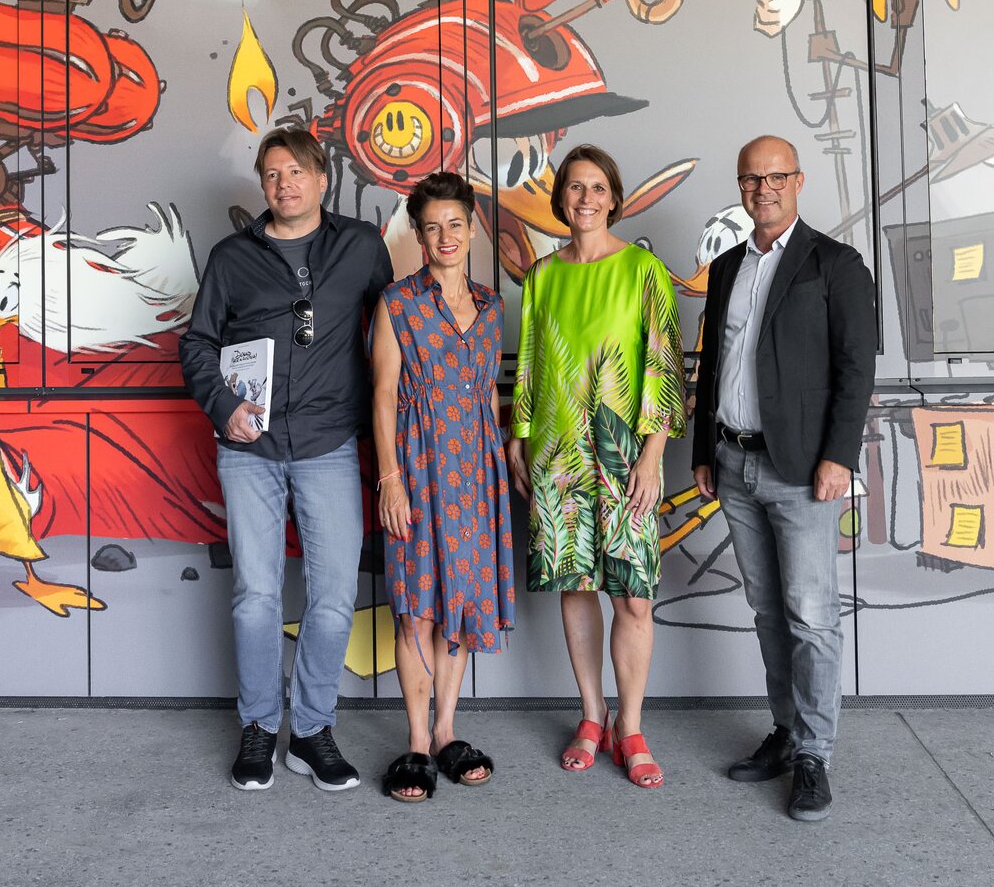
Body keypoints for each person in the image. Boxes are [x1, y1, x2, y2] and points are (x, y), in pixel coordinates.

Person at [181, 126, 392, 793]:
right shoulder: (231, 257)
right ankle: (258, 726)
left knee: (332, 598)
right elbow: (196, 344)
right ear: (263, 184)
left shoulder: (359, 246)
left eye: (296, 171)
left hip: (329, 443)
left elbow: (389, 333)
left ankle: (310, 730)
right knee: (255, 597)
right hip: (250, 448)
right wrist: (223, 407)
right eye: (272, 174)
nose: (284, 184)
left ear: (323, 179)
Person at [690, 135, 876, 822]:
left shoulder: (837, 263)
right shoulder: (728, 264)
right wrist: (703, 451)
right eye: (749, 178)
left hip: (801, 468)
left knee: (811, 615)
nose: (761, 188)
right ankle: (786, 728)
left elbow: (856, 369)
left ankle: (814, 755)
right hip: (734, 463)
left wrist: (840, 455)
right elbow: (714, 362)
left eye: (774, 176)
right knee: (769, 611)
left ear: (798, 180)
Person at [508, 145, 684, 790]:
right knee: (577, 589)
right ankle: (591, 715)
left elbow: (665, 367)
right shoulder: (542, 276)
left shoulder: (642, 270)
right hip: (557, 457)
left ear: (614, 197)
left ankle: (631, 727)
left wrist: (652, 454)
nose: (585, 198)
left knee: (633, 599)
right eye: (574, 188)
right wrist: (518, 438)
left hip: (625, 459)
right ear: (561, 201)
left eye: (596, 188)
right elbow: (527, 362)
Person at [370, 172, 513, 803]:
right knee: (417, 609)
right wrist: (390, 479)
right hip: (418, 467)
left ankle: (449, 729)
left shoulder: (491, 305)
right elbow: (383, 396)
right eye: (432, 227)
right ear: (419, 235)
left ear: (473, 225)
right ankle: (416, 743)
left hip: (476, 472)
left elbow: (488, 394)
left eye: (455, 223)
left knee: (459, 607)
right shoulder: (396, 302)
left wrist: (503, 467)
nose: (445, 235)